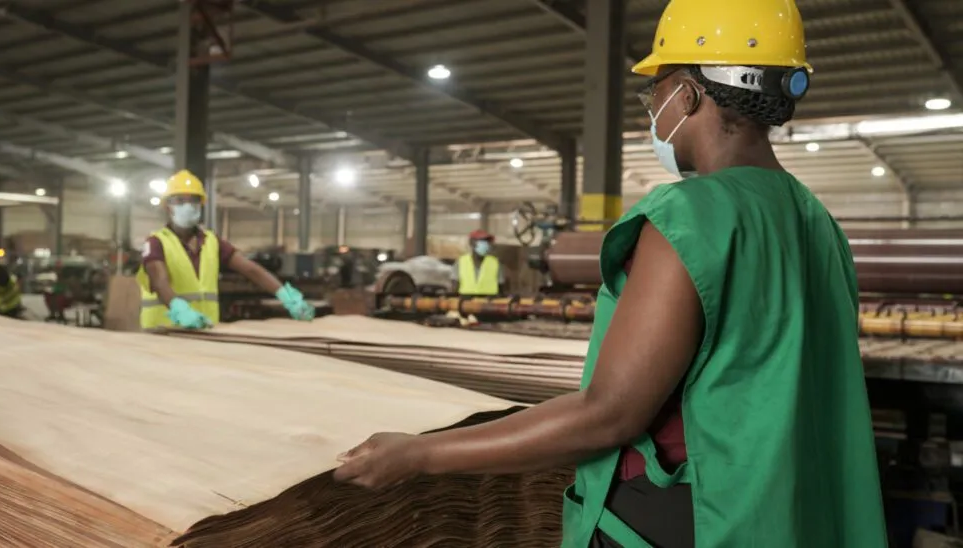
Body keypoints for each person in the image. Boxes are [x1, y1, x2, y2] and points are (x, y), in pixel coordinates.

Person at [333, 1, 887, 546]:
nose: (654, 108)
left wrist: (419, 454)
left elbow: (609, 415)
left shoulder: (691, 217)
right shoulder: (817, 222)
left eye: (658, 89)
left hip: (691, 519)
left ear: (689, 93)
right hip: (787, 514)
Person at [136, 169, 314, 330]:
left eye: (194, 201)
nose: (188, 206)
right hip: (164, 333)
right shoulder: (156, 242)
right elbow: (160, 282)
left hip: (204, 331)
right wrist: (179, 309)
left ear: (201, 205)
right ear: (168, 206)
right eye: (180, 201)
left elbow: (251, 269)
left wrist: (286, 296)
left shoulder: (212, 242)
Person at [449, 229, 504, 296]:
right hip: (466, 304)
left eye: (487, 242)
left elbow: (501, 290)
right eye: (482, 241)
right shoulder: (460, 262)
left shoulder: (495, 263)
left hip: (488, 304)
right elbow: (454, 289)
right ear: (471, 243)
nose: (485, 244)